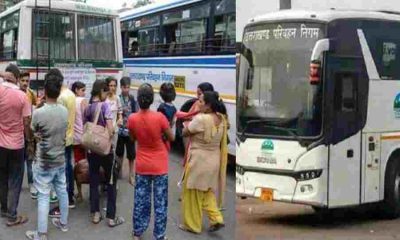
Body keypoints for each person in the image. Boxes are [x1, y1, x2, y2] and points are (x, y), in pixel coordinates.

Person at [25, 70, 69, 240]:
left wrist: (37, 106)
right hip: (60, 159)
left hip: (43, 161)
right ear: (58, 91)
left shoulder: (39, 113)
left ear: (44, 91)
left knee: (43, 196)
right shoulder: (64, 111)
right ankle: (63, 223)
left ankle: (41, 234)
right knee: (62, 190)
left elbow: (33, 131)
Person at [128, 83, 174, 240]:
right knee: (160, 203)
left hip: (142, 165)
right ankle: (159, 235)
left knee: (141, 201)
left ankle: (137, 232)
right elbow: (172, 137)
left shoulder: (132, 119)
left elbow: (132, 138)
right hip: (160, 165)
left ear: (139, 100)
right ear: (152, 99)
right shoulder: (160, 118)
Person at [179, 91, 228, 234]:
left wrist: (185, 124)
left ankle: (192, 225)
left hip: (199, 161)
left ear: (208, 106)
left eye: (200, 102)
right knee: (207, 191)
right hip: (214, 161)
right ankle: (217, 218)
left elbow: (185, 132)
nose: (197, 104)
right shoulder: (222, 119)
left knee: (192, 192)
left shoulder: (201, 119)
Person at [84, 79, 124, 227]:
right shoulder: (105, 106)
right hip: (106, 150)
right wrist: (116, 124)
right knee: (111, 181)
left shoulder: (87, 107)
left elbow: (86, 128)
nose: (107, 95)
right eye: (106, 92)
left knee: (94, 181)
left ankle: (95, 214)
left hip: (92, 150)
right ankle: (111, 218)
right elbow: (110, 130)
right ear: (101, 91)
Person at [0, 67, 31, 227]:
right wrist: (29, 139)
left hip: (1, 143)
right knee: (15, 180)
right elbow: (26, 122)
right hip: (17, 144)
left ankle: (4, 209)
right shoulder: (22, 96)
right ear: (18, 78)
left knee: (3, 177)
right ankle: (12, 216)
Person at [20, 71, 39, 199]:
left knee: (29, 160)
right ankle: (14, 185)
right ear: (18, 80)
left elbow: (35, 108)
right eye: (23, 80)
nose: (25, 83)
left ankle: (31, 184)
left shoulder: (31, 93)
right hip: (16, 132)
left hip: (29, 132)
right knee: (17, 161)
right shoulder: (14, 93)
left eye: (27, 81)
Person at [115, 77, 136, 182]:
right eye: (124, 87)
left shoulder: (132, 99)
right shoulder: (117, 99)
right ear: (121, 87)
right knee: (119, 154)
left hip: (130, 132)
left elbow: (136, 114)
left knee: (131, 155)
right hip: (119, 132)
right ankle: (119, 172)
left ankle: (131, 175)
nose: (126, 90)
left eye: (128, 87)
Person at [71, 81, 88, 164]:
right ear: (76, 90)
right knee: (83, 162)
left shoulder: (70, 100)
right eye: (83, 90)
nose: (84, 93)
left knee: (76, 160)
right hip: (82, 134)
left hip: (73, 135)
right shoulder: (82, 100)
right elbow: (86, 118)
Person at [157, 82, 177, 151]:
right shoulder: (174, 108)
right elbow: (173, 122)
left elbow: (158, 123)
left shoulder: (161, 107)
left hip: (161, 136)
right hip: (168, 133)